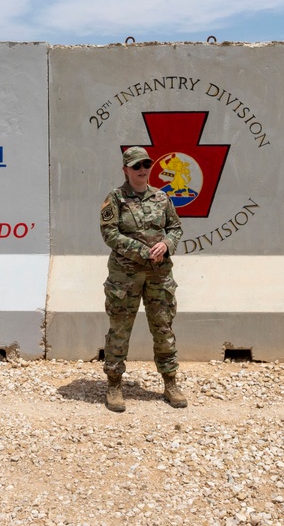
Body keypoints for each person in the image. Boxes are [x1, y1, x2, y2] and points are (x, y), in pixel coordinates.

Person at [99, 146, 185, 412]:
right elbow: (109, 233)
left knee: (163, 327)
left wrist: (167, 244)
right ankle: (114, 384)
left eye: (146, 165)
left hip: (159, 275)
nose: (142, 170)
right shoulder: (115, 199)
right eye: (136, 166)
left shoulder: (161, 198)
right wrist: (142, 251)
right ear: (125, 169)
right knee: (120, 329)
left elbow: (176, 227)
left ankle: (170, 382)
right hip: (125, 277)